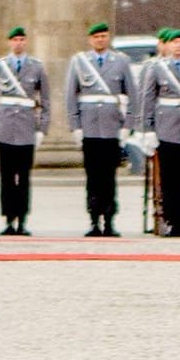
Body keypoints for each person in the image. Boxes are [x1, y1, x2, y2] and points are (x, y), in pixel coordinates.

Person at [67, 22, 135, 236]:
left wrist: (127, 126)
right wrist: (75, 126)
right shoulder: (79, 62)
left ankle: (109, 220)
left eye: (104, 36)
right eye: (96, 37)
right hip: (89, 128)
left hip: (111, 127)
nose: (100, 40)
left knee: (109, 177)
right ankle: (94, 219)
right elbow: (71, 96)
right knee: (93, 177)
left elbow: (133, 94)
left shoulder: (121, 61)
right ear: (90, 40)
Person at [137, 29, 180, 237]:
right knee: (169, 177)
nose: (178, 46)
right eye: (174, 42)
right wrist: (147, 129)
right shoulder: (157, 68)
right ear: (167, 45)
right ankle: (169, 219)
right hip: (166, 127)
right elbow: (148, 99)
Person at [0, 25, 49, 236]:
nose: (18, 43)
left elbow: (45, 100)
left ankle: (22, 219)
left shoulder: (37, 67)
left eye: (22, 39)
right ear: (9, 42)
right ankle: (9, 219)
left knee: (23, 177)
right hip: (5, 128)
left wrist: (42, 129)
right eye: (15, 40)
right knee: (6, 177)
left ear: (26, 42)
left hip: (26, 129)